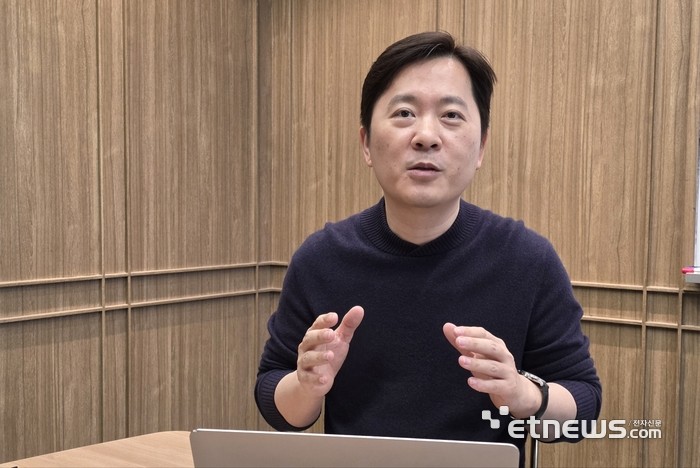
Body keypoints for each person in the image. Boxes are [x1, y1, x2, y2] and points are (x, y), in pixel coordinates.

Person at [255, 31, 601, 464]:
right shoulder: (321, 259)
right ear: (366, 143)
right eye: (404, 113)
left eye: (451, 115)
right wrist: (307, 386)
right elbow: (276, 397)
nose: (426, 136)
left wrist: (524, 395)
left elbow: (582, 408)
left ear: (481, 146)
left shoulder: (527, 259)